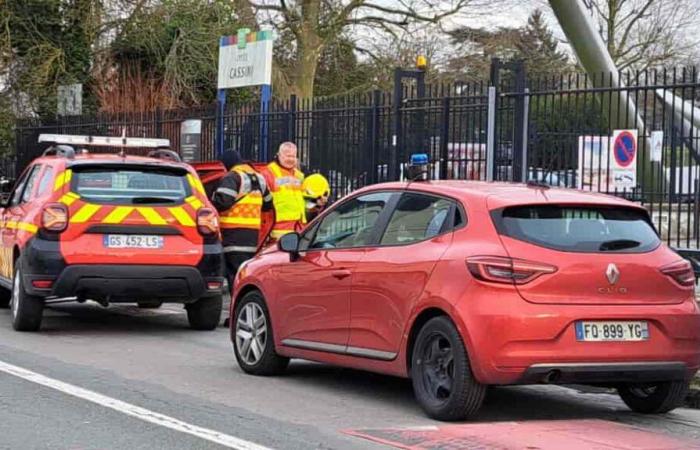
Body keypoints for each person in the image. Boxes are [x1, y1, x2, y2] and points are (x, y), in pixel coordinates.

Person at [211, 149, 272, 286]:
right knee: (245, 271)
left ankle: (237, 303)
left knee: (234, 274)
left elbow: (222, 202)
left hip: (232, 234)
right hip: (253, 235)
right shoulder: (260, 178)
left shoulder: (232, 177)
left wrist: (211, 196)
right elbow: (268, 205)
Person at [261, 142, 306, 241]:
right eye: (287, 156)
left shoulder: (299, 175)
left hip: (298, 228)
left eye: (293, 156)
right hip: (277, 230)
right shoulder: (269, 173)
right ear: (279, 155)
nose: (290, 159)